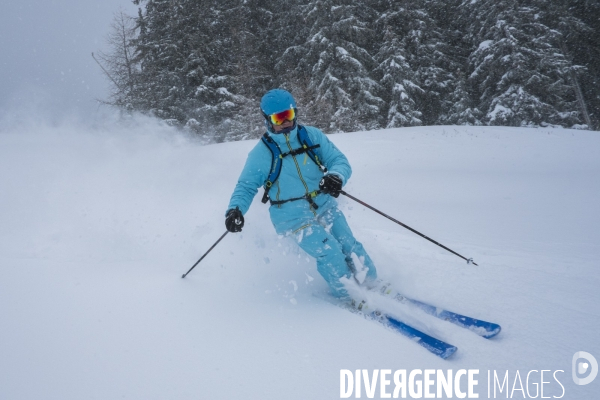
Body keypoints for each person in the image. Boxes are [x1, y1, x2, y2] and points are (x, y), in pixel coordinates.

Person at [225, 89, 377, 303]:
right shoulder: (262, 153)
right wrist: (235, 210)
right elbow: (246, 186)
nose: (287, 122)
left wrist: (335, 176)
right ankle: (349, 296)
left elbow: (339, 161)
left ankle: (372, 284)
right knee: (330, 251)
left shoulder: (311, 136)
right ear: (268, 120)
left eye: (290, 114)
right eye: (279, 118)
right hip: (291, 216)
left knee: (349, 244)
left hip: (323, 204)